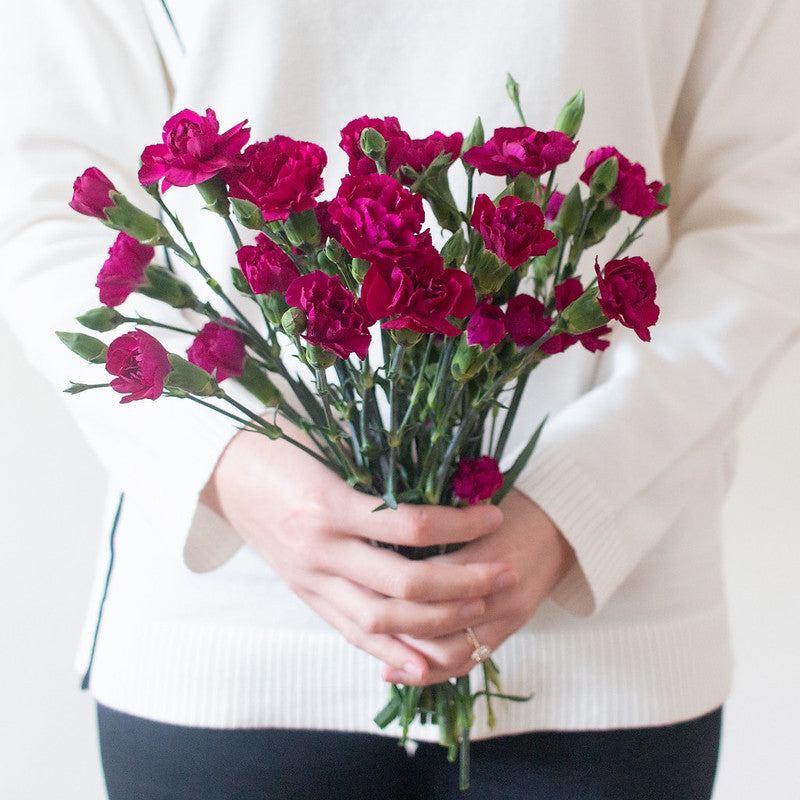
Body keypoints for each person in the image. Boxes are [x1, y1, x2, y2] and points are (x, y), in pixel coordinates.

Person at [1, 1, 799, 798]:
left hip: (605, 639)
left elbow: (769, 216)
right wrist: (236, 468)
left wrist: (577, 500)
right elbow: (46, 208)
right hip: (232, 642)